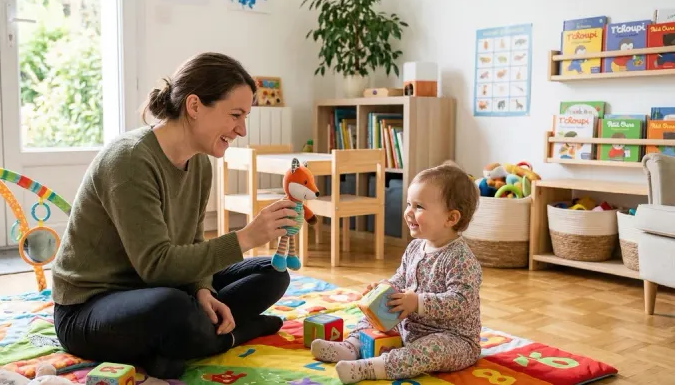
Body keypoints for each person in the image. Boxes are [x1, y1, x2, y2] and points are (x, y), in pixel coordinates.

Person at [51, 52, 299, 379]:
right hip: (89, 307)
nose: (241, 129)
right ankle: (227, 336)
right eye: (235, 115)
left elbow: (192, 242)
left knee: (272, 273)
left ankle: (179, 343)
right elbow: (156, 265)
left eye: (245, 117)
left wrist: (202, 290)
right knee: (172, 307)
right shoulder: (129, 160)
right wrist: (247, 237)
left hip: (164, 287)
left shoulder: (200, 163)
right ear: (194, 106)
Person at [310, 163, 482, 384]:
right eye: (409, 204)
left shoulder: (460, 258)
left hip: (453, 338)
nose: (408, 212)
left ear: (451, 219)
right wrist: (384, 290)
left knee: (431, 349)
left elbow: (461, 301)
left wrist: (417, 302)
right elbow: (402, 277)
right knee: (373, 315)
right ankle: (352, 346)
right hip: (408, 326)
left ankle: (373, 368)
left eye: (419, 207)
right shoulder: (415, 246)